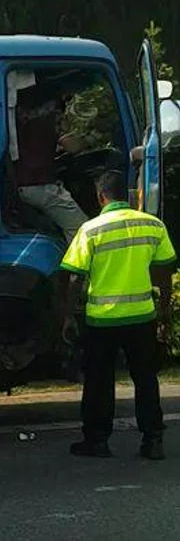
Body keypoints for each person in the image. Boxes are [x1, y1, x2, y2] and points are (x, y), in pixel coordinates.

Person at [58, 169, 176, 460]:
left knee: (99, 381)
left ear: (101, 197)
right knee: (146, 379)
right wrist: (164, 312)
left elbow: (74, 276)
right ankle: (153, 440)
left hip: (103, 320)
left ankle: (97, 441)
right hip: (142, 317)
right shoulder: (153, 225)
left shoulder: (91, 230)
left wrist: (68, 315)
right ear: (129, 196)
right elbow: (163, 272)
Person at [14, 79, 89, 243]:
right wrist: (90, 140)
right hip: (40, 185)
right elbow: (72, 147)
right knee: (82, 231)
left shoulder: (17, 113)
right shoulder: (51, 114)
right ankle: (79, 259)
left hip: (18, 183)